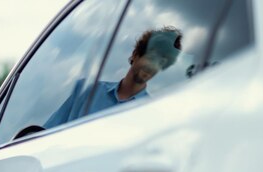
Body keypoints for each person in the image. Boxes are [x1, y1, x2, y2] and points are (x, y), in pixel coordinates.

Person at [44, 26, 183, 128]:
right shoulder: (86, 91)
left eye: (161, 62)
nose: (154, 66)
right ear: (135, 54)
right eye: (152, 57)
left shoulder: (150, 115)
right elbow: (44, 137)